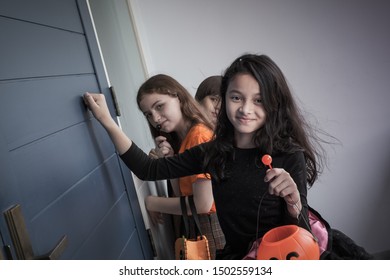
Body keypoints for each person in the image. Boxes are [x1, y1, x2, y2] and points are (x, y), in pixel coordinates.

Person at [83, 54, 326, 259]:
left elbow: (302, 237)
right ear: (225, 98)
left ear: (274, 104)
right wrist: (107, 121)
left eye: (259, 100)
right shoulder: (213, 151)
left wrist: (294, 203)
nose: (245, 109)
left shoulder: (289, 154)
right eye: (236, 97)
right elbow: (149, 170)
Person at [136, 74, 225, 259]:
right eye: (148, 114)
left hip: (211, 230)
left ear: (178, 97)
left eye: (159, 106)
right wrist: (171, 160)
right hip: (202, 229)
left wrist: (152, 202)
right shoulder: (186, 139)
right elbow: (182, 195)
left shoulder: (198, 135)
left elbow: (202, 204)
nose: (156, 118)